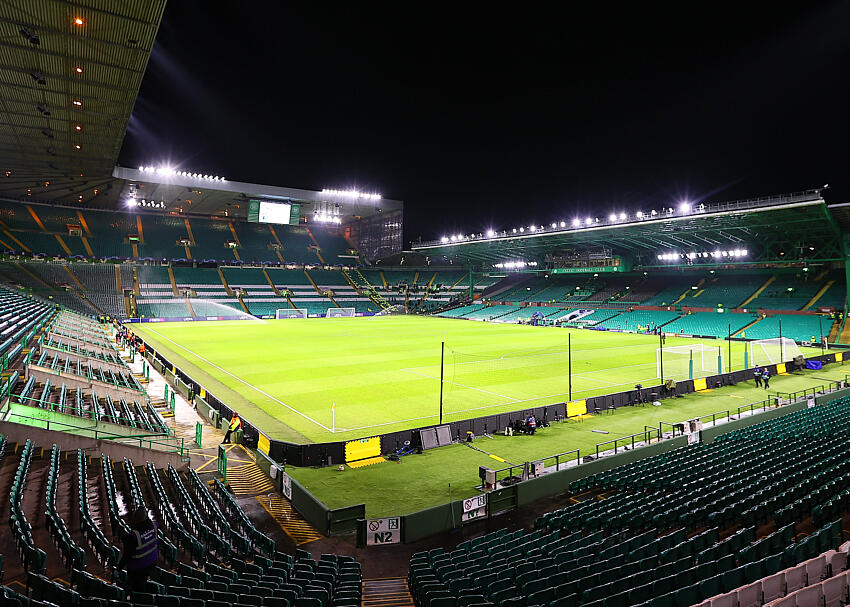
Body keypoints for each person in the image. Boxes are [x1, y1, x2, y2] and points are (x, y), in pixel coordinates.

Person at [117, 506, 158, 595]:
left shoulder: (133, 536)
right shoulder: (154, 527)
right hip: (153, 562)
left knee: (137, 588)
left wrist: (118, 569)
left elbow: (126, 556)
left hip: (137, 568)